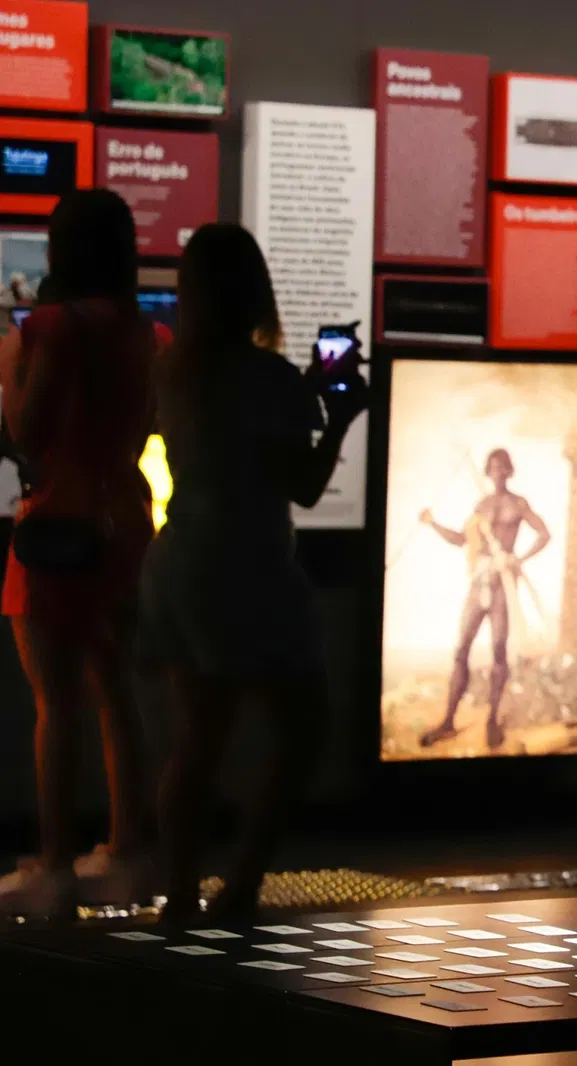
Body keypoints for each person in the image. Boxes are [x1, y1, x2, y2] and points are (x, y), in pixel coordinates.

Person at [139, 224, 367, 921]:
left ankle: (180, 895)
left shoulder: (172, 371)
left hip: (183, 560)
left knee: (197, 739)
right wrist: (340, 417)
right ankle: (239, 887)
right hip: (251, 564)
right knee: (301, 727)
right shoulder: (269, 378)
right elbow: (302, 485)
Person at [0, 191, 164, 918]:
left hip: (58, 524)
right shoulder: (150, 334)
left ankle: (55, 864)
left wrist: (11, 363)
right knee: (119, 692)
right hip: (125, 518)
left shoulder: (49, 327)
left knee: (56, 701)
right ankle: (129, 851)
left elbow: (28, 431)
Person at [417, 448, 551, 750]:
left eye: (502, 467)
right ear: (488, 471)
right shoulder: (481, 506)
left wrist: (518, 559)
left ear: (509, 471)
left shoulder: (518, 504)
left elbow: (544, 534)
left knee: (499, 650)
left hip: (503, 584)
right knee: (461, 648)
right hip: (480, 582)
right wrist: (432, 523)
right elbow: (461, 539)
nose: (497, 473)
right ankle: (448, 721)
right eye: (492, 468)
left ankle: (492, 720)